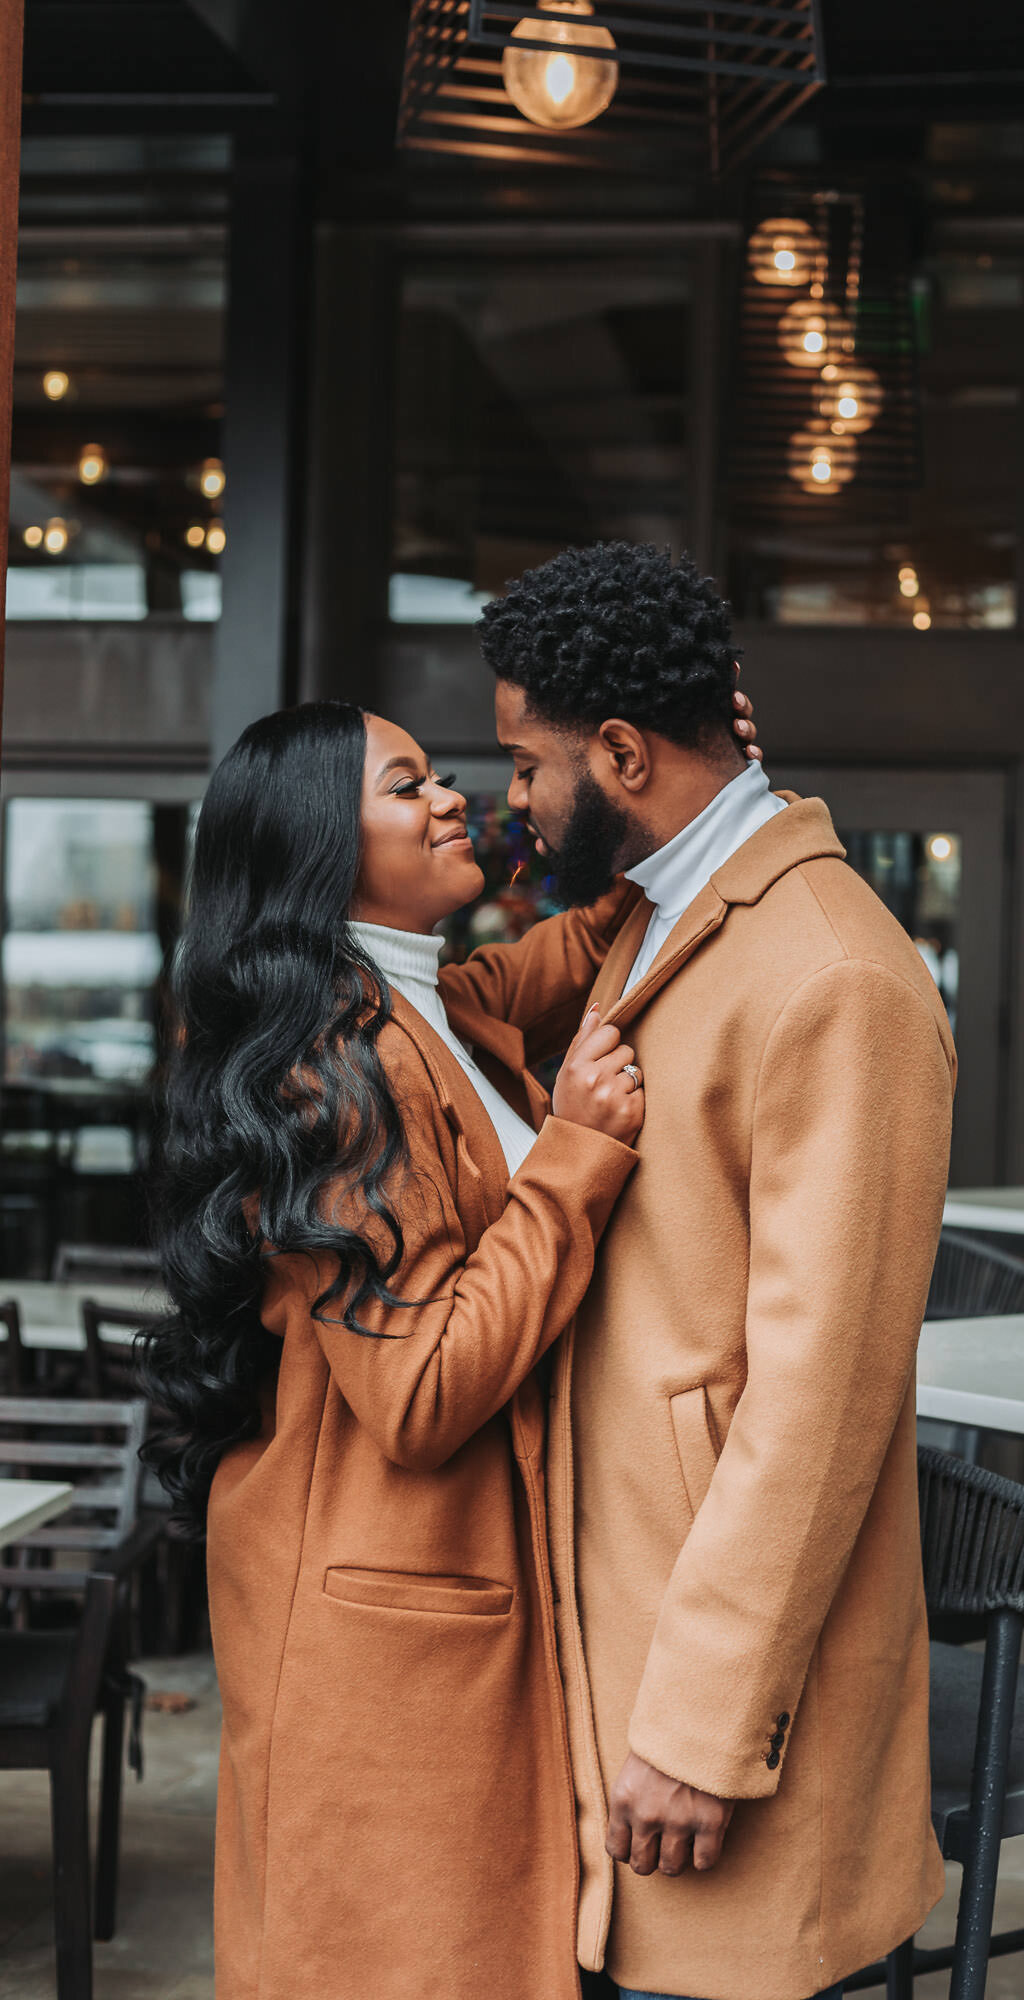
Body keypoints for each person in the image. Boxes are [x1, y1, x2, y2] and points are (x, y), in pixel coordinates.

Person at [479, 542, 957, 2000]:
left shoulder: (837, 977)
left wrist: (699, 1728)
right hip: (618, 1649)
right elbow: (460, 993)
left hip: (716, 1721)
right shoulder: (664, 905)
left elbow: (824, 1400)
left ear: (620, 750)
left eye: (523, 765)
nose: (508, 800)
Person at [139, 699, 657, 2000]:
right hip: (384, 1640)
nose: (449, 798)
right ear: (320, 844)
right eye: (404, 785)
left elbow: (593, 938)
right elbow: (420, 1394)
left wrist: (670, 782)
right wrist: (577, 1161)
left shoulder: (423, 1006)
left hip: (410, 1603)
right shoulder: (332, 1072)